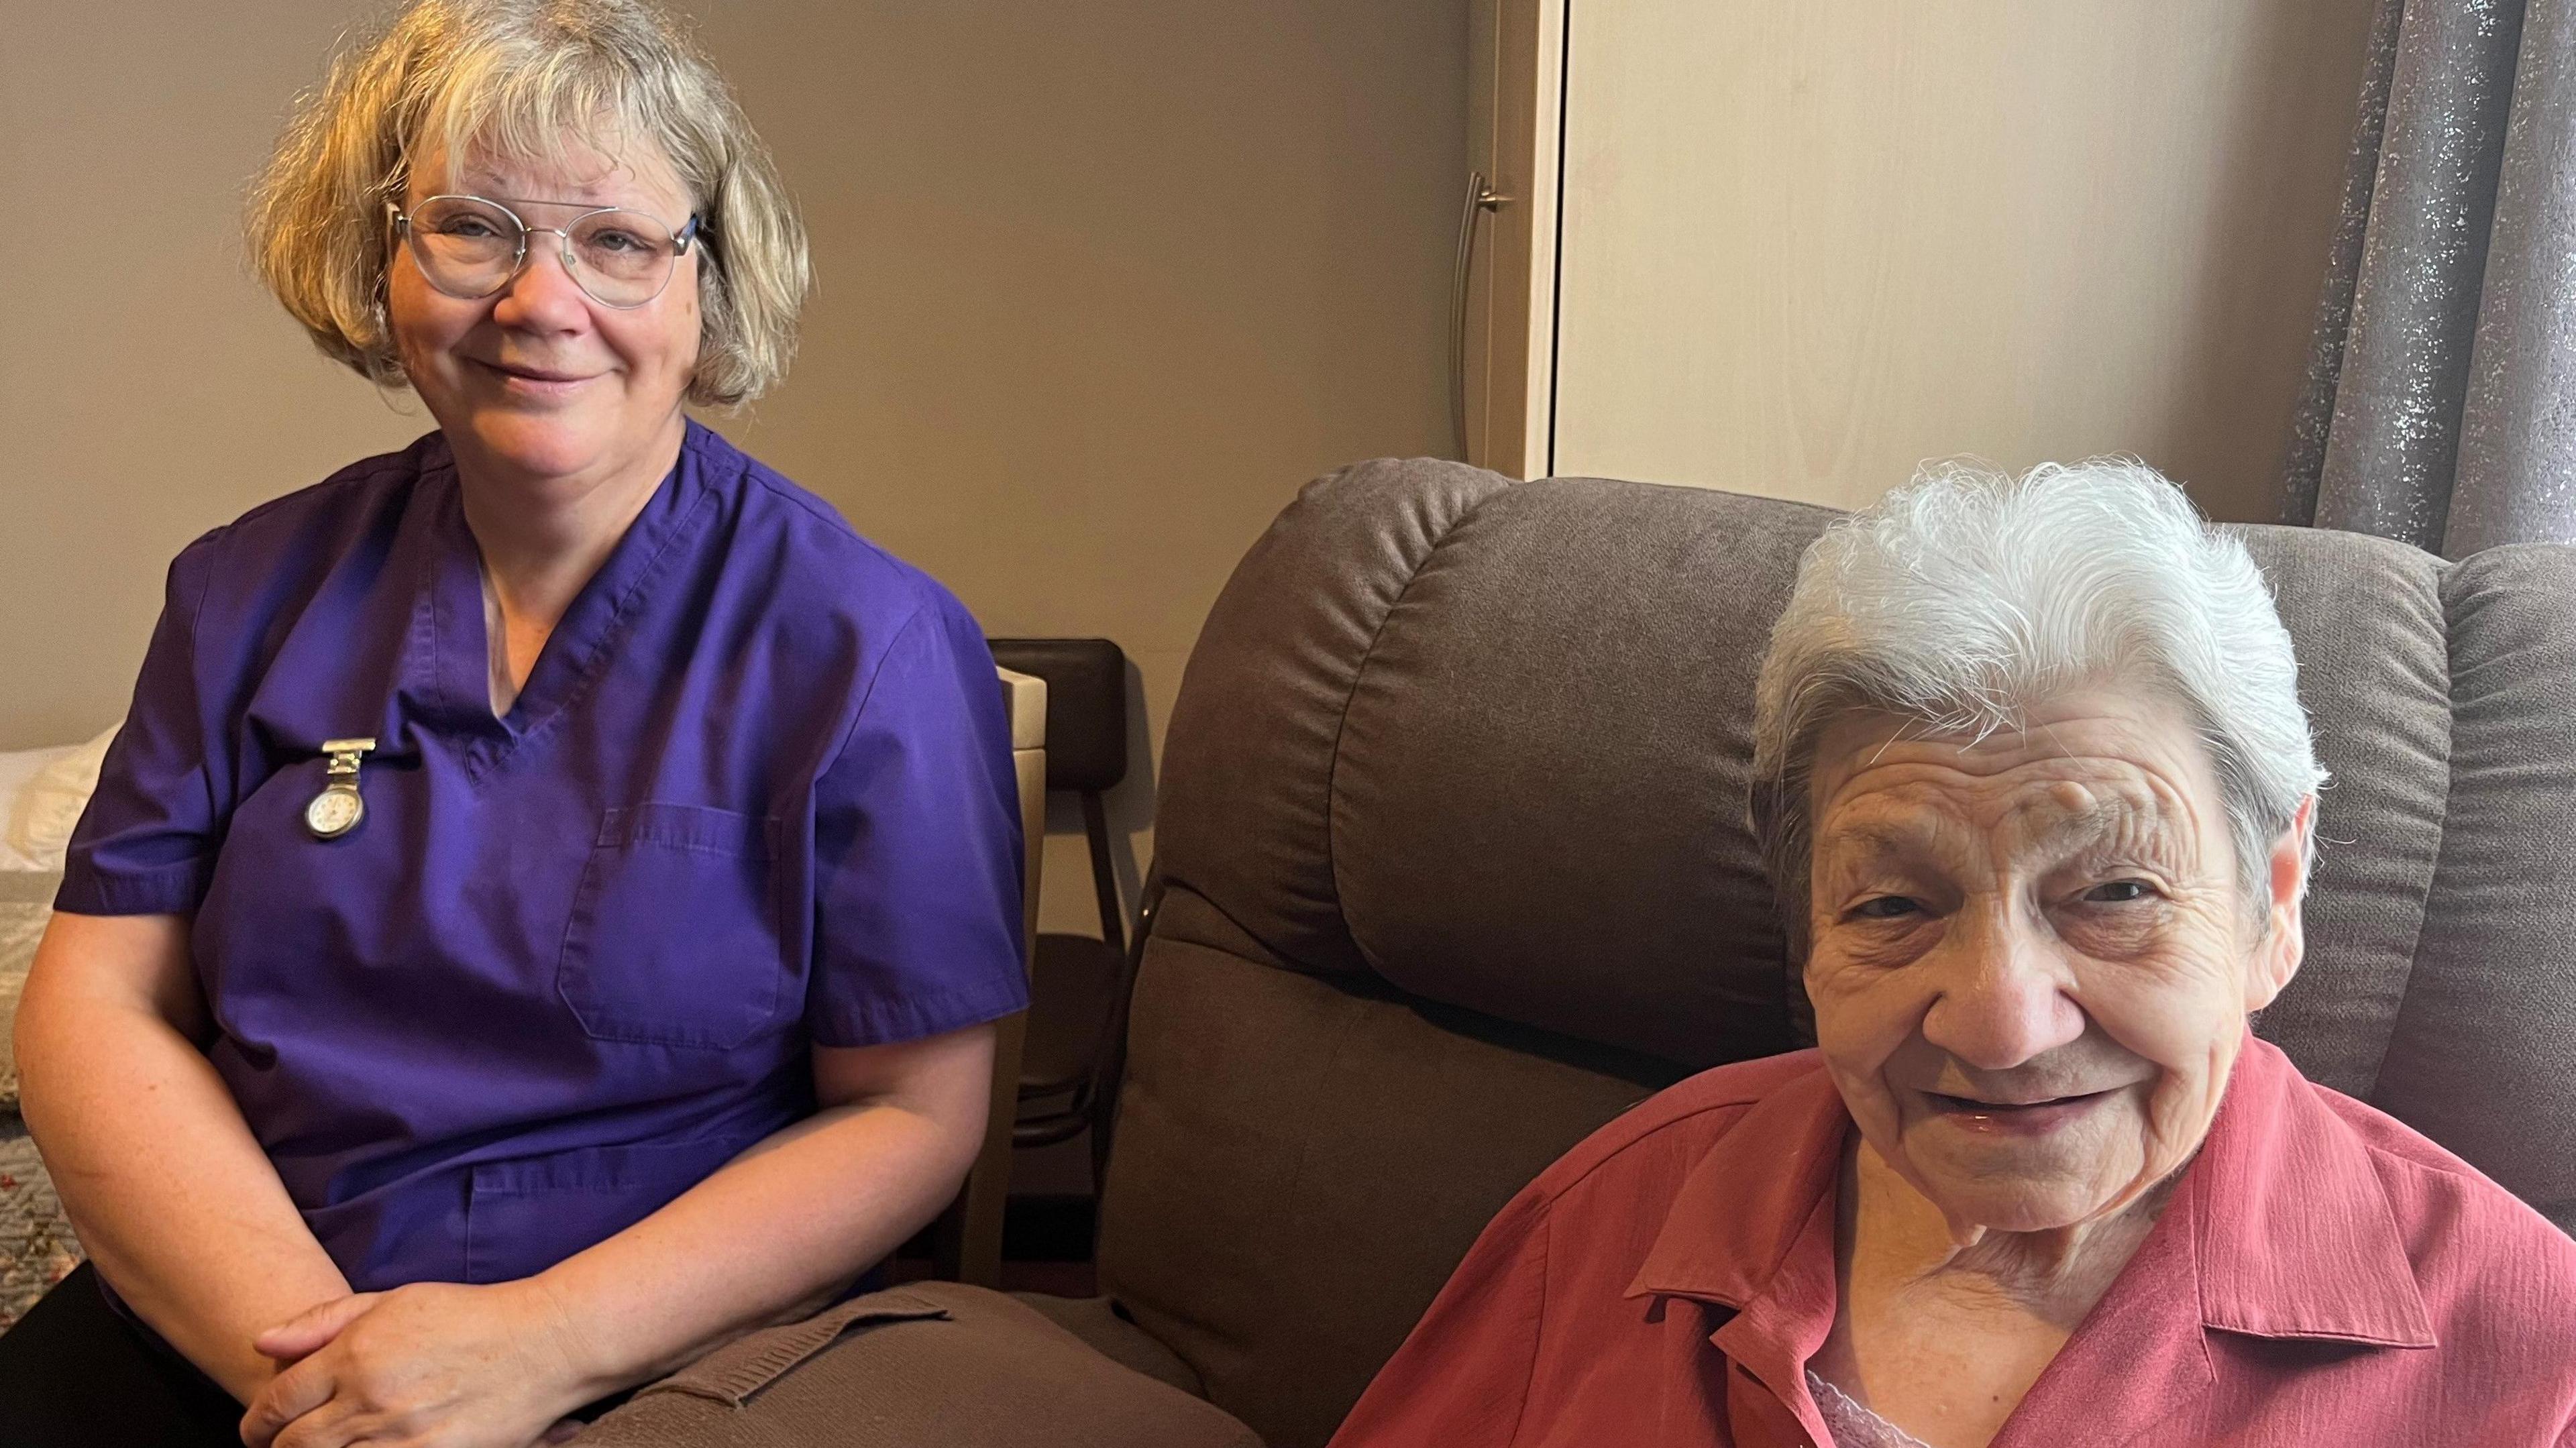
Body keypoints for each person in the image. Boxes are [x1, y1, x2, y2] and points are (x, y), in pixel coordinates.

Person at [0, 3, 1029, 1445]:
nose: (541, 301)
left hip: (645, 1362)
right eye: (473, 228)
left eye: (617, 241)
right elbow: (97, 1006)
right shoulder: (244, 591)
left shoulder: (873, 645)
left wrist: (535, 1350)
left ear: (708, 288)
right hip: (245, 1323)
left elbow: (914, 1116)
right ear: (381, 258)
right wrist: (318, 1377)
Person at [1328, 461, 2576, 1447]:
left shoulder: (2534, 1364)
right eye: (1892, 908)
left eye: (2117, 890)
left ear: (2276, 901)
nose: (1997, 1023)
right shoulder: (1619, 1216)